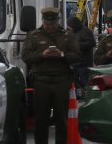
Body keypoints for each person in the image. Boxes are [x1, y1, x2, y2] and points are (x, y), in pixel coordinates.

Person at [22, 7, 82, 144]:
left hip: (61, 82)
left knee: (61, 120)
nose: (50, 27)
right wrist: (41, 55)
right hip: (41, 82)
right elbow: (25, 56)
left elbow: (78, 56)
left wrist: (62, 55)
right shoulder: (34, 36)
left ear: (58, 21)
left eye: (53, 24)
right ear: (43, 21)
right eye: (47, 24)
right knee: (41, 120)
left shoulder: (68, 35)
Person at [67, 16, 95, 99]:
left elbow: (92, 43)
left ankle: (88, 97)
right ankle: (78, 95)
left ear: (74, 25)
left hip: (84, 62)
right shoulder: (72, 32)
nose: (69, 27)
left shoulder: (86, 31)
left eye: (70, 26)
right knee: (74, 81)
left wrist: (77, 45)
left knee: (86, 81)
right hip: (75, 62)